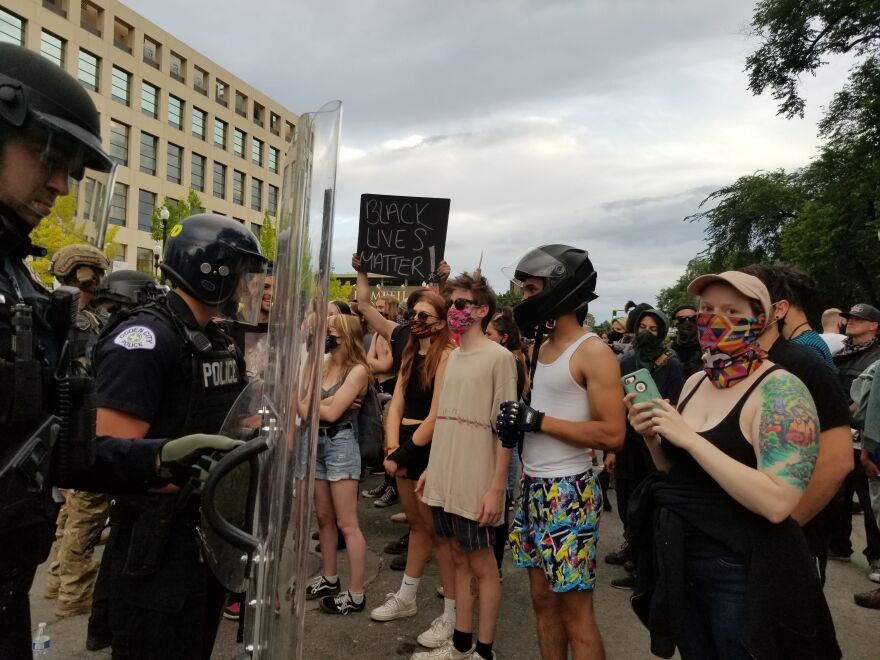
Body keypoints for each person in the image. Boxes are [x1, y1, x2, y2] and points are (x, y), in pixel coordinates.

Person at [0, 44, 237, 660]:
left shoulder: (16, 283)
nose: (60, 182)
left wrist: (160, 459)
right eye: (49, 154)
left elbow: (54, 451)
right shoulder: (148, 333)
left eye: (73, 167)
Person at [626, 271, 839, 660]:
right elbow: (679, 474)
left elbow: (778, 502)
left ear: (761, 319)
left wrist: (688, 437)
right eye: (706, 309)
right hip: (682, 558)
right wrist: (652, 437)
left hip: (741, 571)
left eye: (731, 310)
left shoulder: (781, 391)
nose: (712, 318)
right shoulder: (695, 382)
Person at [95, 213, 267, 658]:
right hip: (158, 544)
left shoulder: (218, 340)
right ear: (211, 271)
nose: (247, 288)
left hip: (208, 535)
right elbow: (108, 455)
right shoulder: (147, 338)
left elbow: (230, 419)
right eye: (243, 274)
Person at [497, 244, 626, 660]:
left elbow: (612, 433)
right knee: (541, 599)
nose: (525, 299)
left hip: (568, 492)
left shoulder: (593, 351)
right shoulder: (543, 347)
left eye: (532, 289)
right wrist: (516, 425)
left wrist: (537, 421)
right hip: (534, 486)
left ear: (561, 289)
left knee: (576, 612)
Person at [415, 272, 517, 660]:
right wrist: (432, 468)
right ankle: (460, 645)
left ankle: (484, 650)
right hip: (446, 474)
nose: (453, 311)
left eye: (460, 304)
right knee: (457, 557)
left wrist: (496, 487)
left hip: (477, 478)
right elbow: (442, 417)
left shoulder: (500, 358)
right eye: (451, 304)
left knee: (483, 563)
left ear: (482, 310)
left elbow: (506, 430)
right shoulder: (453, 357)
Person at [739, 264, 853, 584]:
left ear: (778, 310)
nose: (727, 317)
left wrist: (786, 526)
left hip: (788, 544)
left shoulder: (805, 364)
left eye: (744, 302)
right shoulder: (729, 368)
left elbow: (837, 459)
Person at [371, 291, 458, 649]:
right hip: (406, 446)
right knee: (418, 525)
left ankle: (453, 618)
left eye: (426, 314)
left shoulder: (448, 358)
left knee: (442, 535)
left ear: (441, 320)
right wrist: (392, 448)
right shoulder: (409, 353)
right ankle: (407, 596)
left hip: (431, 448)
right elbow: (396, 405)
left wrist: (403, 452)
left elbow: (438, 414)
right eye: (414, 313)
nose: (417, 320)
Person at [43, 244, 113, 617]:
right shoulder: (84, 322)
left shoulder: (63, 316)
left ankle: (57, 579)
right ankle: (74, 593)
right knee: (87, 510)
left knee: (71, 511)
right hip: (85, 424)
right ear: (86, 276)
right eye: (95, 274)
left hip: (73, 424)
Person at [607, 307, 683, 590]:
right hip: (628, 443)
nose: (647, 333)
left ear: (662, 332)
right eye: (643, 328)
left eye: (653, 329)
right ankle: (634, 551)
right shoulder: (625, 360)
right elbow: (616, 404)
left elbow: (675, 405)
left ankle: (644, 570)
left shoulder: (670, 364)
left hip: (655, 446)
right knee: (627, 501)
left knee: (649, 506)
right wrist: (611, 450)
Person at [305, 313, 370, 615]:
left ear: (345, 335)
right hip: (316, 442)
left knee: (347, 523)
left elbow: (329, 414)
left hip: (341, 444)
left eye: (331, 331)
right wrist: (327, 403)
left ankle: (356, 593)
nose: (326, 336)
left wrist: (318, 405)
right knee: (323, 516)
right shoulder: (323, 364)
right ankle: (329, 576)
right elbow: (299, 396)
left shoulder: (357, 370)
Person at [829, 303, 880, 573]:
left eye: (859, 319)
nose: (851, 321)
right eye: (849, 318)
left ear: (874, 326)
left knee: (869, 500)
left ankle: (876, 557)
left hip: (861, 435)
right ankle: (838, 545)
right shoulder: (843, 353)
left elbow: (868, 398)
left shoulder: (876, 357)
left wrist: (844, 413)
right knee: (838, 493)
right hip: (838, 432)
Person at [669, 303, 703, 378]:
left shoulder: (708, 348)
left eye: (692, 319)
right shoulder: (668, 353)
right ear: (674, 322)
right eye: (682, 319)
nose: (687, 322)